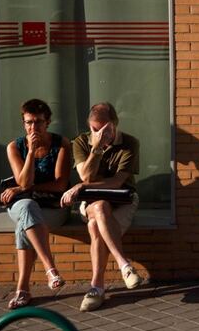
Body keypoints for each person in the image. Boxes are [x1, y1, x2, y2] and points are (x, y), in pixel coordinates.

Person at [60, 102, 143, 311]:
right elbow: (86, 175)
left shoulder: (130, 142)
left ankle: (96, 287)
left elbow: (116, 182)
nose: (98, 133)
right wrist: (96, 148)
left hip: (123, 199)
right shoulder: (81, 142)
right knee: (99, 208)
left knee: (95, 226)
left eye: (104, 129)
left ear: (114, 124)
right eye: (94, 129)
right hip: (91, 201)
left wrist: (80, 186)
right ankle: (124, 266)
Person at [0, 98, 70, 309]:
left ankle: (22, 290)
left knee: (25, 223)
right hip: (23, 204)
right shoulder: (15, 146)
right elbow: (24, 181)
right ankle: (51, 269)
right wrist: (30, 152)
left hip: (52, 207)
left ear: (48, 122)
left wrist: (24, 189)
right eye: (29, 122)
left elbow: (60, 185)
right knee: (27, 208)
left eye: (38, 122)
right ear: (24, 123)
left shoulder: (62, 144)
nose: (33, 127)